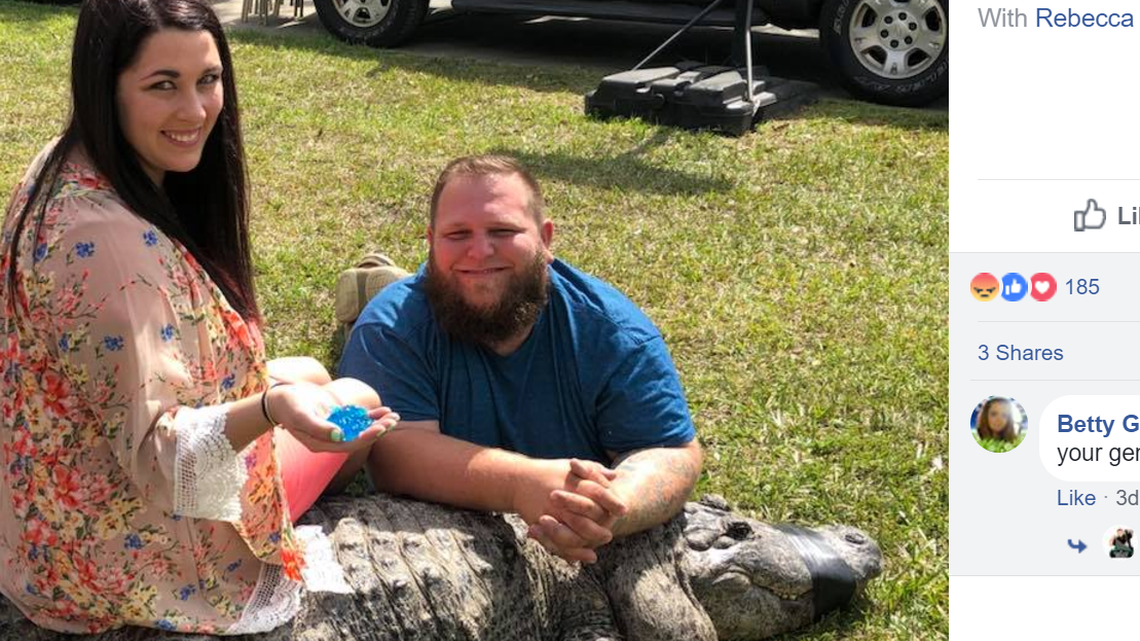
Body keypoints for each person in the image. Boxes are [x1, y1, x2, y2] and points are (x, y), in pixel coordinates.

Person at [0, 0, 398, 634]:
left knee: (313, 375)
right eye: (163, 85)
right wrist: (270, 411)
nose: (195, 112)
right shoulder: (109, 245)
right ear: (105, 85)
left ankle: (368, 319)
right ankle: (381, 322)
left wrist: (279, 397)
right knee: (355, 395)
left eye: (207, 80)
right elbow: (159, 455)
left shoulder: (65, 160)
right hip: (116, 552)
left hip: (51, 498)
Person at [339, 155, 703, 564]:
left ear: (546, 240)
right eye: (457, 234)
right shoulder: (391, 328)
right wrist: (520, 483)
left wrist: (609, 505)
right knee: (354, 389)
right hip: (403, 334)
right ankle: (373, 294)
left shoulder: (614, 332)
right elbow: (392, 455)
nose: (479, 251)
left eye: (503, 230)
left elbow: (670, 450)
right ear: (430, 240)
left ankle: (381, 279)